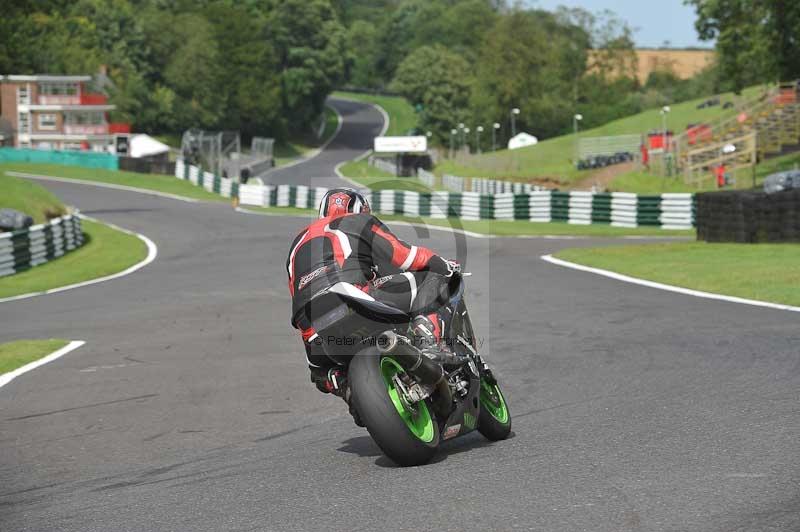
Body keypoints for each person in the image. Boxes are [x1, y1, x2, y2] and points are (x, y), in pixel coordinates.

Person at [286, 188, 459, 402]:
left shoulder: (297, 243)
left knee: (321, 373)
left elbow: (295, 290)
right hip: (351, 296)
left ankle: (349, 393)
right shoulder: (360, 221)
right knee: (429, 276)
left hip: (311, 325)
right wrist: (444, 265)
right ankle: (429, 343)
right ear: (361, 209)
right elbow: (405, 256)